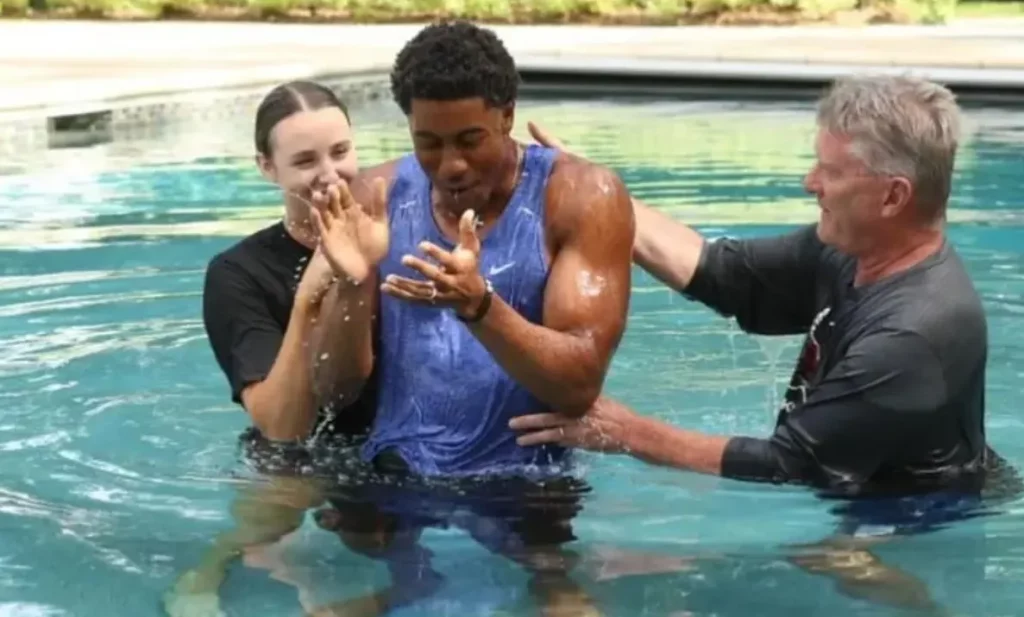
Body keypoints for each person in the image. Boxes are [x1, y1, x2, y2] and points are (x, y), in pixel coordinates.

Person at [512, 75, 1020, 611]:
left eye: (830, 171)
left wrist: (625, 431)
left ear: (893, 195)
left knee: (750, 573)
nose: (809, 182)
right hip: (858, 479)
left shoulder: (913, 332)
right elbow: (722, 273)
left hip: (916, 519)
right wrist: (599, 197)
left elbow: (787, 464)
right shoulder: (854, 252)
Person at [305, 19, 634, 617]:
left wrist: (478, 306)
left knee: (562, 598)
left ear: (507, 115)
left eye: (470, 139)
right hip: (395, 471)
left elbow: (579, 383)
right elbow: (334, 393)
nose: (450, 164)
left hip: (527, 482)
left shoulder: (580, 197)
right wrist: (353, 284)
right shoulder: (377, 196)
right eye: (429, 142)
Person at [164, 80, 383, 617]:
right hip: (297, 456)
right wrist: (312, 291)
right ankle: (212, 567)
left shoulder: (391, 234)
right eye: (305, 160)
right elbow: (280, 427)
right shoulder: (237, 274)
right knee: (278, 513)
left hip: (394, 440)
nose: (330, 175)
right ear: (268, 168)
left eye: (340, 152)